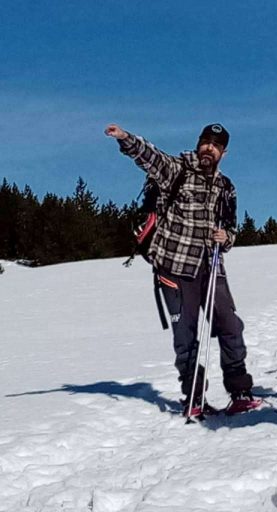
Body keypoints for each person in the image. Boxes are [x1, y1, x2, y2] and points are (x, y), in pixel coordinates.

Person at [104, 123, 258, 415]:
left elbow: (232, 228)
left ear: (224, 152)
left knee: (230, 327)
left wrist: (226, 239)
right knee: (185, 337)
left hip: (211, 268)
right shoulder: (177, 170)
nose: (208, 148)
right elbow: (150, 156)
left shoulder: (226, 187)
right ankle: (194, 398)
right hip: (174, 267)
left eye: (215, 145)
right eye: (205, 142)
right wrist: (126, 138)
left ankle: (240, 391)